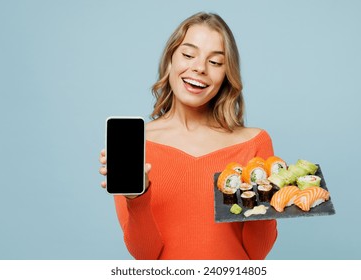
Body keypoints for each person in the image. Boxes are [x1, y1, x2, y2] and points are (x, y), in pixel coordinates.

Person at [99, 12, 277, 260]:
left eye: (215, 62)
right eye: (188, 55)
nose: (199, 68)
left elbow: (256, 254)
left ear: (227, 74)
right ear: (170, 59)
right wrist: (136, 197)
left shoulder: (253, 144)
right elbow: (146, 256)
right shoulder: (135, 144)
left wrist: (264, 200)